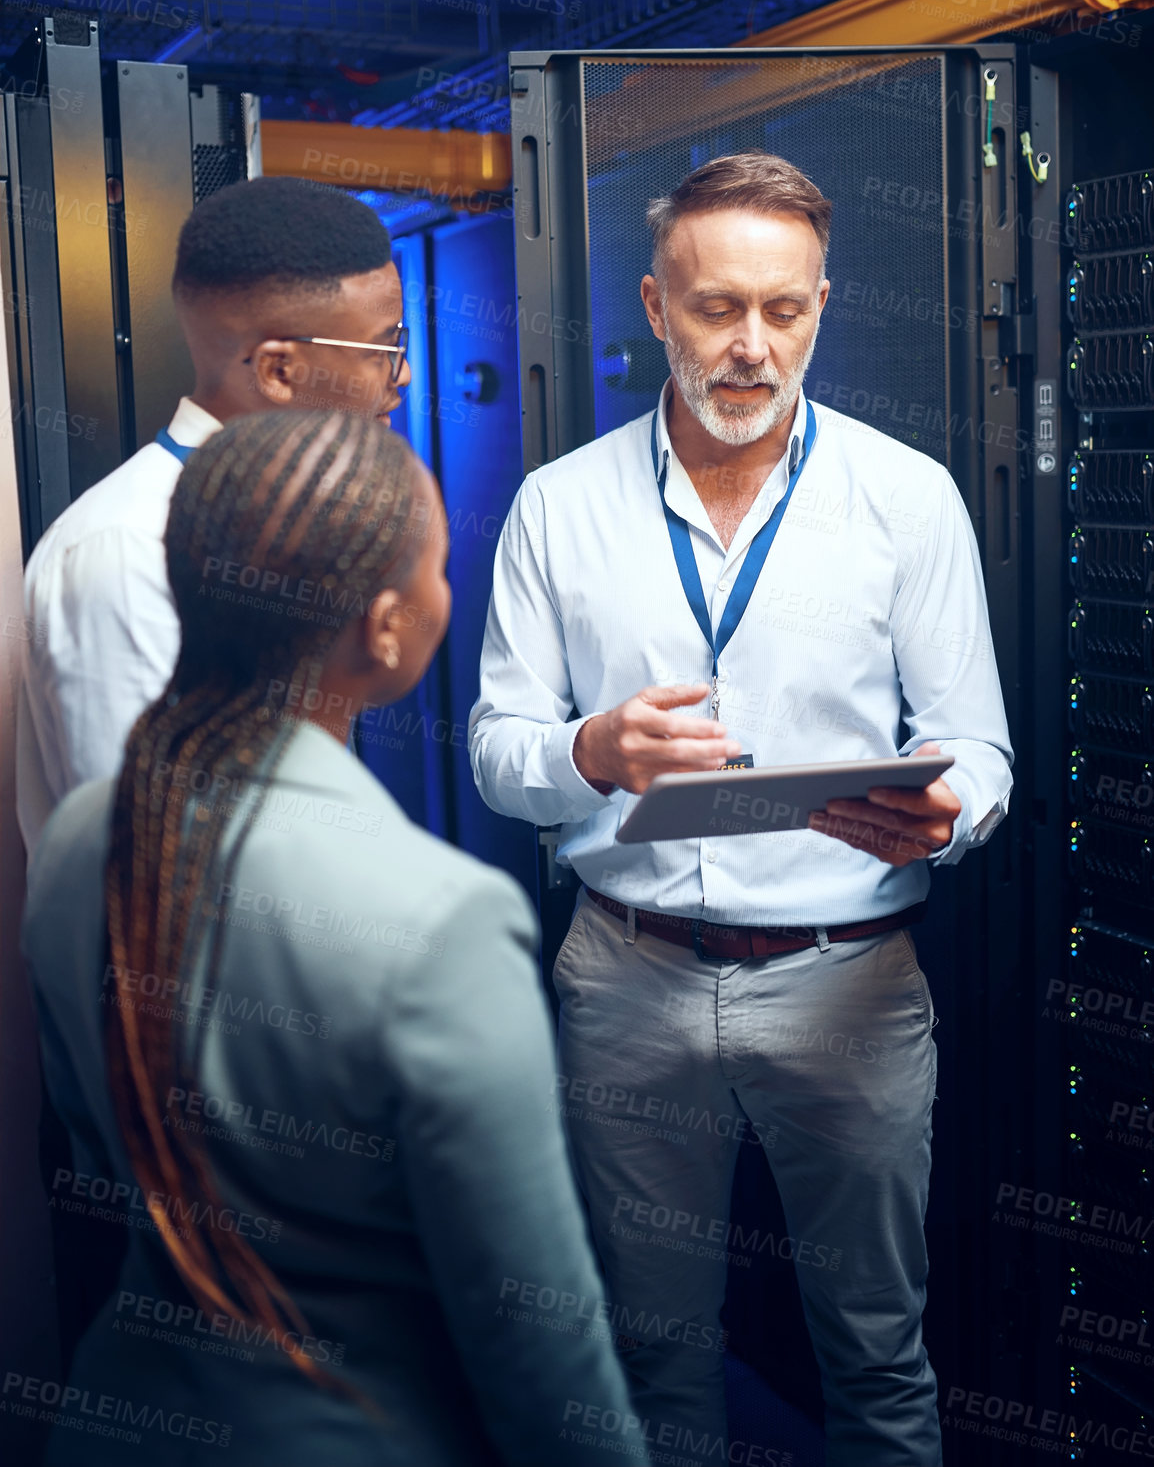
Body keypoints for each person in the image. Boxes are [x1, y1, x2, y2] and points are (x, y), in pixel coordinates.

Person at [469, 151, 1014, 1467]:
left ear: (821, 303)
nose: (751, 347)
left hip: (850, 989)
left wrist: (949, 811)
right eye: (716, 308)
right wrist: (592, 751)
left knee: (876, 1352)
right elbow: (495, 751)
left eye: (784, 311)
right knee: (655, 1353)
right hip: (627, 976)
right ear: (656, 307)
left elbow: (978, 744)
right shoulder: (556, 506)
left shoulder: (905, 499)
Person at [22, 409, 647, 1467]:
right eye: (443, 565)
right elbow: (536, 1334)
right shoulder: (441, 918)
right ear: (389, 627)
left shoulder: (82, 835)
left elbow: (96, 1135)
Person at [17, 173, 412, 857]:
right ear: (279, 371)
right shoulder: (128, 550)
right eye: (385, 349)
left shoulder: (289, 527)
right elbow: (158, 867)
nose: (401, 377)